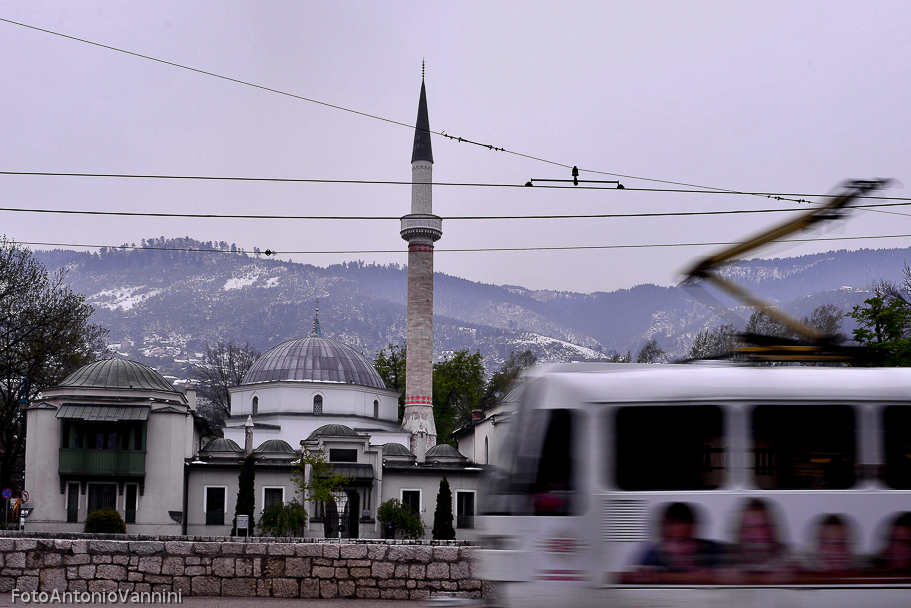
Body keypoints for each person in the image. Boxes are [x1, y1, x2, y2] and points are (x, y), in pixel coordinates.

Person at [636, 502, 722, 573]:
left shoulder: (714, 551)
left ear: (692, 529)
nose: (677, 548)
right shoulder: (653, 555)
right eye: (670, 540)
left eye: (682, 541)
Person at [728, 498, 793, 574]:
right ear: (741, 532)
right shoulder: (726, 565)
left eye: (766, 526)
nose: (762, 533)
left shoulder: (791, 564)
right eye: (753, 527)